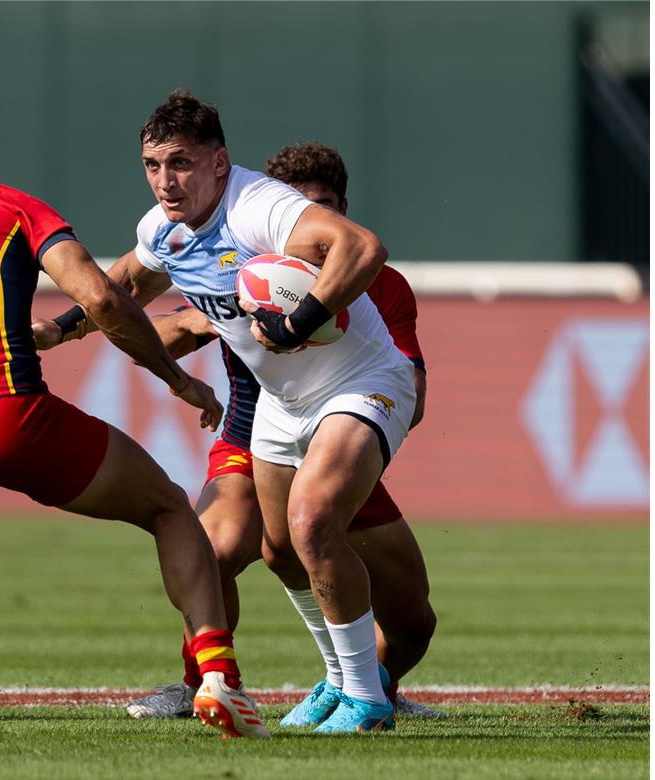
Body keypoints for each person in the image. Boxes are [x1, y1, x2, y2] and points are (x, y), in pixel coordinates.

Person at [0, 79, 269, 739]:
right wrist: (179, 381)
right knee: (169, 508)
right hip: (16, 417)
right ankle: (217, 675)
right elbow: (104, 299)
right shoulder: (12, 206)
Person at [38, 91, 415, 733]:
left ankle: (367, 698)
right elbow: (124, 286)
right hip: (281, 402)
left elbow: (362, 247)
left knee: (313, 522)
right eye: (153, 165)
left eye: (181, 163)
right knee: (281, 552)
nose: (165, 180)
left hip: (361, 382)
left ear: (219, 162)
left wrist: (298, 321)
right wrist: (59, 328)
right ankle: (339, 680)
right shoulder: (163, 229)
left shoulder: (258, 207)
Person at [111, 141, 441, 722]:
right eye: (300, 211)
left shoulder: (379, 284)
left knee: (413, 622)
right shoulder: (242, 266)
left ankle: (366, 684)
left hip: (343, 432)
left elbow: (409, 393)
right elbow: (151, 322)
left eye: (324, 210)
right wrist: (195, 325)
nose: (310, 234)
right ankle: (206, 681)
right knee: (215, 550)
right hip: (255, 428)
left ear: (341, 212)